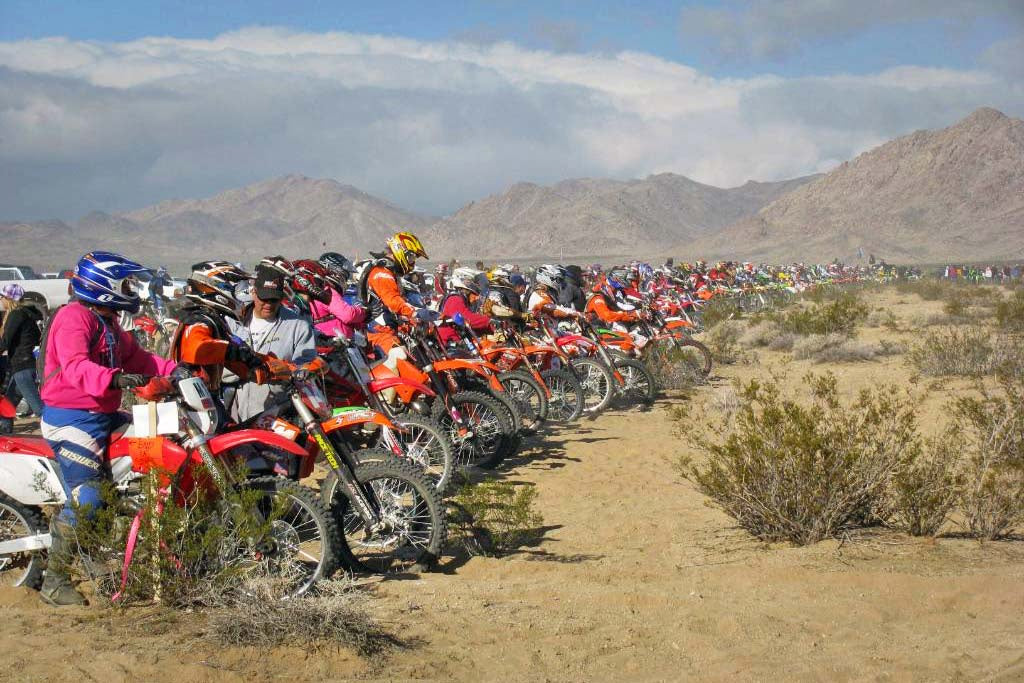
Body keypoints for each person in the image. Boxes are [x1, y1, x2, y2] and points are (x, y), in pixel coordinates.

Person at [39, 251, 179, 606]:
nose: (131, 290)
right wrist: (118, 378)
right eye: (126, 284)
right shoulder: (74, 318)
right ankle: (54, 580)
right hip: (71, 418)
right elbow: (75, 367)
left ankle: (116, 542)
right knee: (89, 497)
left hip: (104, 413)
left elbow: (142, 359)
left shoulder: (110, 323)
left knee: (158, 441)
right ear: (105, 286)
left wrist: (176, 369)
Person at [226, 263, 318, 422]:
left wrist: (288, 370)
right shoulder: (232, 323)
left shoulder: (298, 326)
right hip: (236, 412)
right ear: (254, 292)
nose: (268, 304)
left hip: (280, 414)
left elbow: (307, 366)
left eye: (274, 299)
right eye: (264, 298)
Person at [0, 284, 44, 432]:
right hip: (26, 364)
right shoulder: (30, 315)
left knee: (38, 407)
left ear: (9, 298)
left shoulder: (16, 314)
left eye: (2, 297)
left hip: (22, 367)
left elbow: (5, 341)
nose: (1, 300)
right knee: (9, 403)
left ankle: (58, 432)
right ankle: (4, 432)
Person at [313, 253, 366, 340]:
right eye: (344, 275)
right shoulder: (326, 290)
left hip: (334, 341)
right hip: (334, 344)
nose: (345, 279)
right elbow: (348, 315)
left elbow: (337, 317)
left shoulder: (319, 289)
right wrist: (365, 312)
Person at [438, 267, 493, 346]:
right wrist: (489, 322)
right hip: (451, 343)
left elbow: (467, 325)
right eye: (472, 281)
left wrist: (489, 329)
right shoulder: (455, 299)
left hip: (458, 340)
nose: (476, 284)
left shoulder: (459, 298)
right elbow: (466, 319)